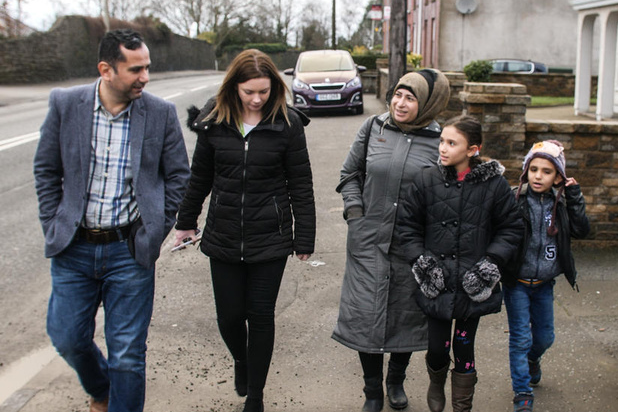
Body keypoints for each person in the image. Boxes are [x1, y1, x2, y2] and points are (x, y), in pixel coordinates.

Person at [33, 29, 191, 412]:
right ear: (106, 69)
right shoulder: (66, 104)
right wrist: (54, 224)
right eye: (136, 69)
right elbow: (45, 170)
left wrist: (154, 230)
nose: (145, 77)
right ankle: (101, 389)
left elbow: (179, 176)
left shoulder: (160, 112)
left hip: (129, 251)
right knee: (68, 338)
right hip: (73, 249)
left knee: (128, 356)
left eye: (147, 67)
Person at [173, 49, 315, 412]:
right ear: (234, 86)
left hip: (271, 236)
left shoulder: (287, 124)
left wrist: (305, 237)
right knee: (230, 317)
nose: (256, 99)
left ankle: (256, 395)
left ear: (274, 89)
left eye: (264, 92)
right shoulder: (214, 122)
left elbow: (301, 183)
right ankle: (241, 359)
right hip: (222, 235)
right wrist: (185, 222)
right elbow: (200, 177)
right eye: (249, 91)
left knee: (260, 315)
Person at [333, 69, 451, 412]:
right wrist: (356, 214)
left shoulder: (440, 139)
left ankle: (395, 380)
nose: (400, 103)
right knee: (365, 315)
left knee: (405, 315)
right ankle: (372, 391)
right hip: (368, 241)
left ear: (427, 103)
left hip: (413, 246)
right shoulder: (373, 128)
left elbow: (448, 192)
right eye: (398, 94)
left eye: (410, 98)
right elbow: (349, 174)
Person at [395, 114, 524, 412]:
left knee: (465, 346)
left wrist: (489, 264)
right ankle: (436, 383)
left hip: (472, 284)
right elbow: (407, 226)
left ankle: (462, 406)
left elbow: (512, 227)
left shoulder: (494, 185)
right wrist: (422, 263)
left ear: (472, 149)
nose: (443, 148)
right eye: (442, 141)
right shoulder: (427, 180)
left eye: (452, 143)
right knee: (438, 348)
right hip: (436, 282)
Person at [503, 140, 590, 412]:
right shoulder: (514, 199)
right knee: (520, 338)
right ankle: (522, 392)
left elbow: (582, 230)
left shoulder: (561, 204)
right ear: (526, 171)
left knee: (544, 338)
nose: (539, 176)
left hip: (544, 284)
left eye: (547, 171)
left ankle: (532, 360)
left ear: (558, 177)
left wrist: (574, 196)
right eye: (534, 169)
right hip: (516, 282)